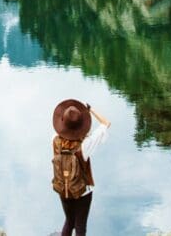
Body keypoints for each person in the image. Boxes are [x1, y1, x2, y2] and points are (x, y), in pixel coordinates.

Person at [51, 99, 110, 236]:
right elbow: (106, 123)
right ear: (81, 125)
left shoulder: (54, 139)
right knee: (80, 225)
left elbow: (60, 133)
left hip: (63, 188)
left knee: (69, 221)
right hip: (83, 190)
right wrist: (91, 110)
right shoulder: (85, 145)